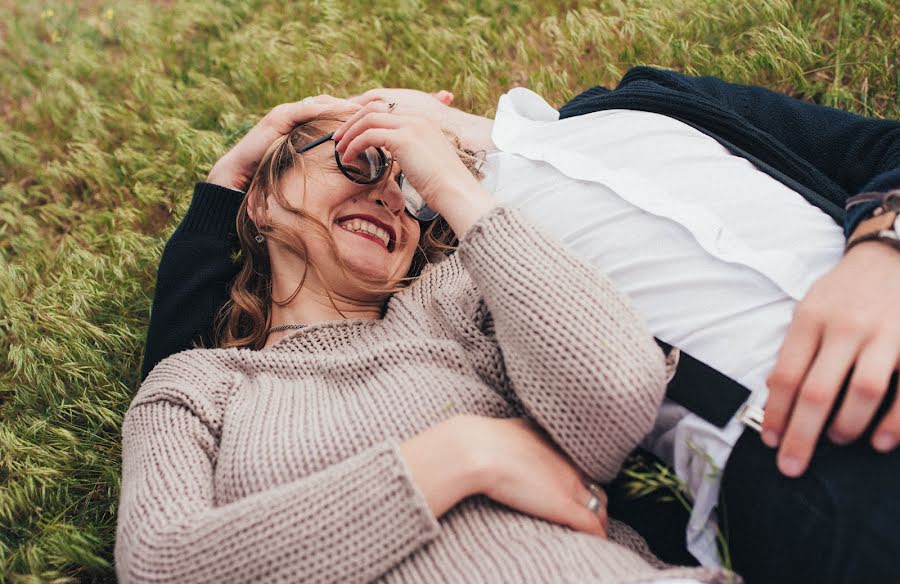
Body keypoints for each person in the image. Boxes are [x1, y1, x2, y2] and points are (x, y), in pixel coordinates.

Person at [138, 67, 900, 583]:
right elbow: (164, 553)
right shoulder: (463, 281)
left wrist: (884, 247)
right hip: (806, 443)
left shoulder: (640, 103)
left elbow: (878, 147)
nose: (390, 194)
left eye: (386, 160)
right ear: (262, 202)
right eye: (357, 159)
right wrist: (232, 182)